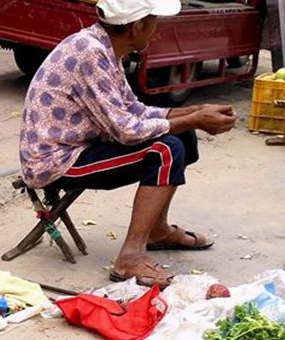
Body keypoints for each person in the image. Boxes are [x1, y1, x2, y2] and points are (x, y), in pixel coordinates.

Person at [19, 0, 236, 288]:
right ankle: (130, 257)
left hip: (80, 146)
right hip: (55, 161)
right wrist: (194, 117)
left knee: (182, 136)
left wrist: (192, 113)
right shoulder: (90, 54)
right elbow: (126, 130)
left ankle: (157, 230)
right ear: (137, 26)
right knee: (165, 149)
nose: (157, 28)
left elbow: (131, 108)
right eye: (154, 21)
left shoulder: (104, 48)